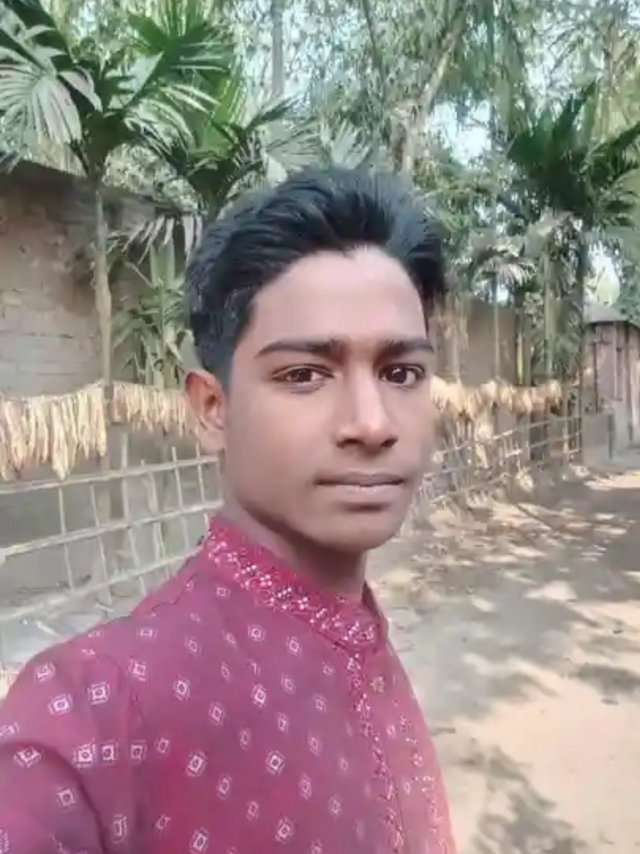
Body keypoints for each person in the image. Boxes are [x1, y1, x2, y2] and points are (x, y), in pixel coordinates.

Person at [0, 166, 454, 853]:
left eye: (401, 373)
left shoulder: (362, 639)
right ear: (212, 409)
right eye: (304, 375)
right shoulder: (92, 713)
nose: (372, 422)